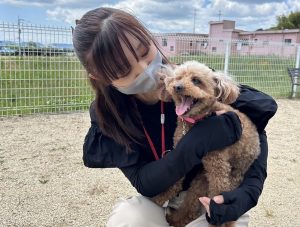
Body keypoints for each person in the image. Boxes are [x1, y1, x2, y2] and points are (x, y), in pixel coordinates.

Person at [72, 7, 277, 227]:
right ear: (99, 76)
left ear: (152, 39)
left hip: (212, 191)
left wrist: (250, 190)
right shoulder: (109, 115)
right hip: (160, 198)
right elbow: (144, 181)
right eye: (123, 69)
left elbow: (254, 125)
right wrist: (196, 142)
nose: (143, 69)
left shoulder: (191, 78)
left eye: (143, 52)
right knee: (128, 218)